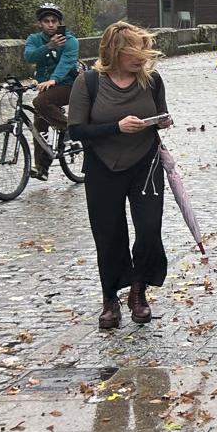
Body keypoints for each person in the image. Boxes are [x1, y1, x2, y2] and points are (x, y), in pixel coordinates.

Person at [67, 22, 171, 330]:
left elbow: (161, 113)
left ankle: (139, 290)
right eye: (134, 52)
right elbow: (76, 129)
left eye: (144, 50)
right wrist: (116, 127)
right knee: (109, 234)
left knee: (150, 228)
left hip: (145, 164)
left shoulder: (151, 81)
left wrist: (162, 121)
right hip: (102, 166)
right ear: (115, 52)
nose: (142, 57)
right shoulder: (88, 83)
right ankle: (110, 297)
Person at [22, 2, 79, 181]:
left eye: (54, 21)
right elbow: (29, 56)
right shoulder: (34, 39)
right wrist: (48, 46)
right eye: (46, 21)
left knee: (39, 103)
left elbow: (67, 62)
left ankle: (70, 129)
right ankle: (42, 168)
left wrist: (54, 78)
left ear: (59, 22)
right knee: (39, 125)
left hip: (70, 85)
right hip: (46, 87)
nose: (51, 24)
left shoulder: (69, 40)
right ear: (40, 23)